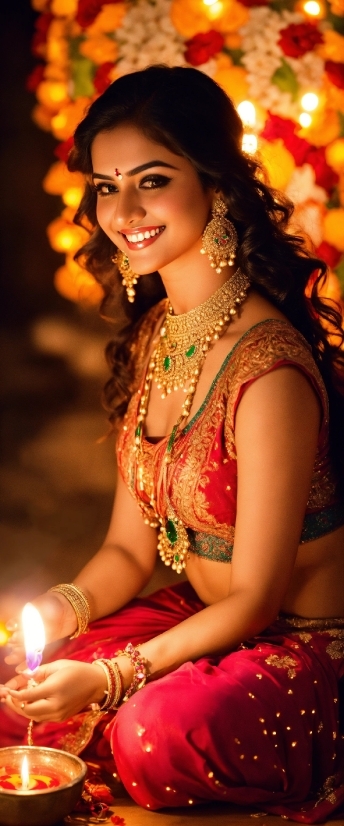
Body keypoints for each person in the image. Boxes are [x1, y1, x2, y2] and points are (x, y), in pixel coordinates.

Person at [1, 65, 344, 823]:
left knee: (154, 735)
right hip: (194, 619)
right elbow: (128, 551)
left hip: (301, 644)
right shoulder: (160, 336)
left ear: (215, 184)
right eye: (104, 185)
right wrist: (58, 613)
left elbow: (256, 600)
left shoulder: (271, 370)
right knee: (13, 690)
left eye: (150, 180)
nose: (123, 211)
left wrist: (114, 676)